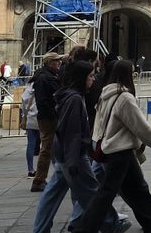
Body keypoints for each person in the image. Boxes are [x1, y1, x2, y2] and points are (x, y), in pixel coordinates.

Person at [70, 60, 151, 233]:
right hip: (120, 152)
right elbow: (141, 127)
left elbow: (98, 123)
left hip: (108, 150)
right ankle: (85, 228)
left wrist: (97, 143)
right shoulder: (124, 97)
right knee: (108, 193)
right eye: (132, 72)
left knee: (134, 190)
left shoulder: (106, 93)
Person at [32, 60, 101, 233]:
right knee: (91, 191)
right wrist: (73, 161)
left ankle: (42, 228)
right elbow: (73, 132)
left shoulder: (68, 94)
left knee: (52, 194)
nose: (94, 79)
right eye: (91, 76)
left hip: (64, 154)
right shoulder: (75, 98)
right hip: (72, 155)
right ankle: (110, 221)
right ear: (81, 78)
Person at [32, 52, 64, 191]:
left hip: (50, 116)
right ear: (50, 62)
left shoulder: (49, 75)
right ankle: (39, 180)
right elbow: (43, 101)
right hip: (48, 118)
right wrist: (53, 114)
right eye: (57, 61)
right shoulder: (44, 77)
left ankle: (58, 175)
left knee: (51, 148)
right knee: (46, 149)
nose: (59, 63)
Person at [22, 75, 41, 178]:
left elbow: (23, 102)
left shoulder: (29, 88)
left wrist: (24, 116)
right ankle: (43, 169)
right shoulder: (44, 85)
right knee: (46, 146)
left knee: (31, 145)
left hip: (31, 118)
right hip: (42, 118)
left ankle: (30, 169)